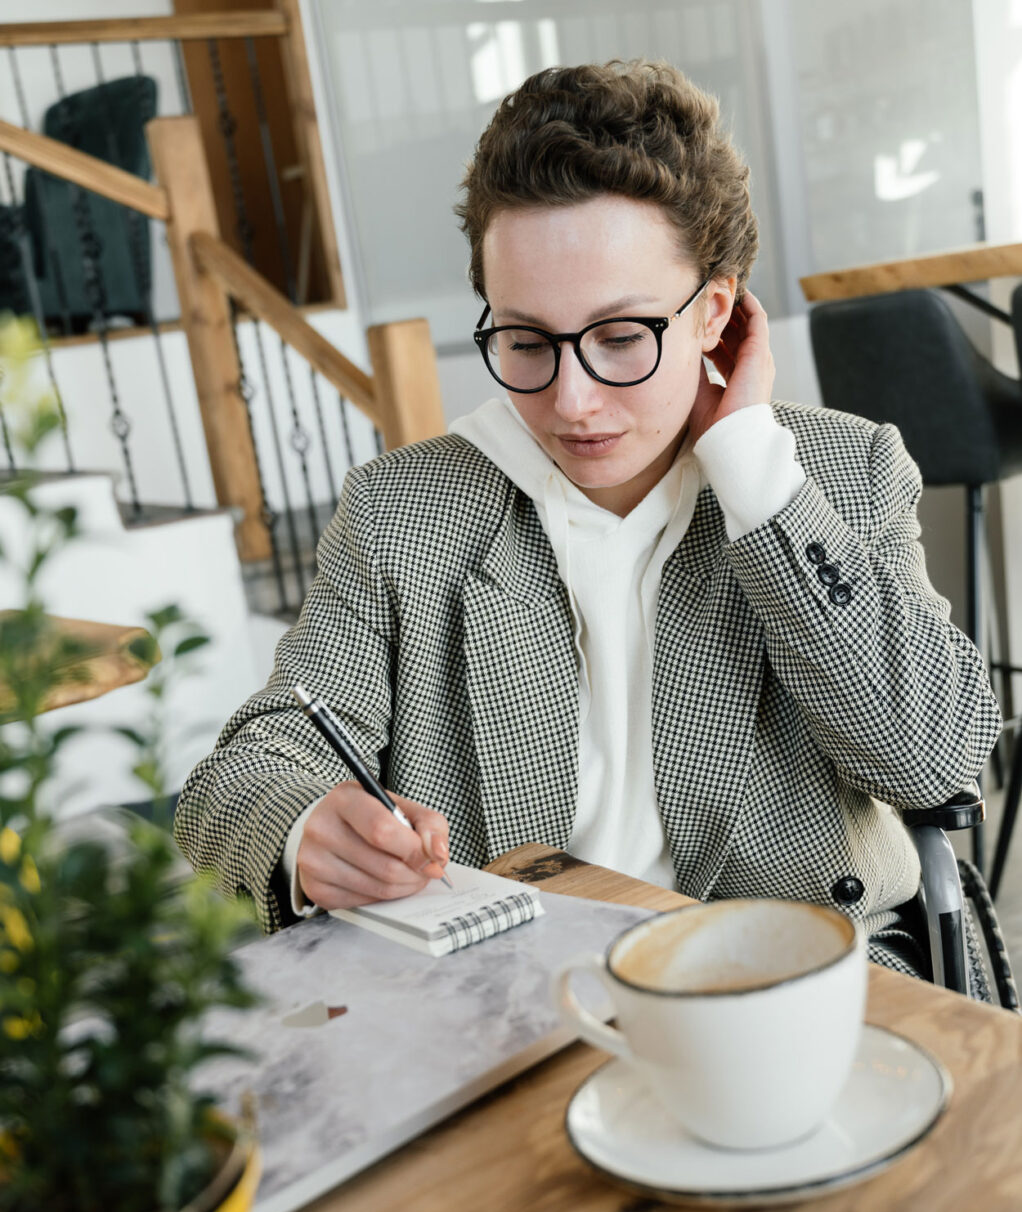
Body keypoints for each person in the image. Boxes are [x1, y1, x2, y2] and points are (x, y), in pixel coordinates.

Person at [174, 60, 1000, 984]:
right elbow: (240, 775)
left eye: (621, 338)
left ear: (714, 313)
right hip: (506, 995)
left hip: (794, 978)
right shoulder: (403, 511)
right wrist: (304, 827)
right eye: (526, 341)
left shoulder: (841, 474)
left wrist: (754, 479)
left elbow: (936, 759)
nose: (572, 401)